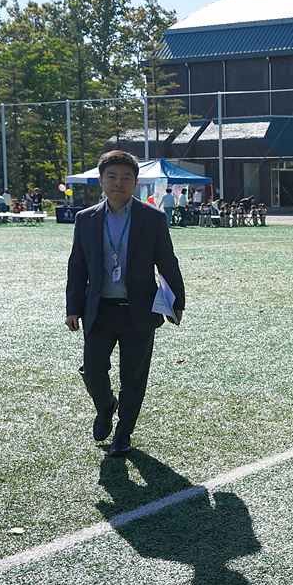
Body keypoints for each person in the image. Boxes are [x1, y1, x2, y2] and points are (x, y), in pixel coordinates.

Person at [65, 150, 186, 457]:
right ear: (100, 180)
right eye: (112, 177)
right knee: (93, 370)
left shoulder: (153, 218)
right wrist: (72, 307)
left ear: (135, 182)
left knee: (133, 377)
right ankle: (105, 408)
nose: (118, 183)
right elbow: (77, 265)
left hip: (140, 311)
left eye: (126, 178)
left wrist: (177, 302)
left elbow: (167, 262)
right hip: (99, 309)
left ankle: (124, 433)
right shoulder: (86, 218)